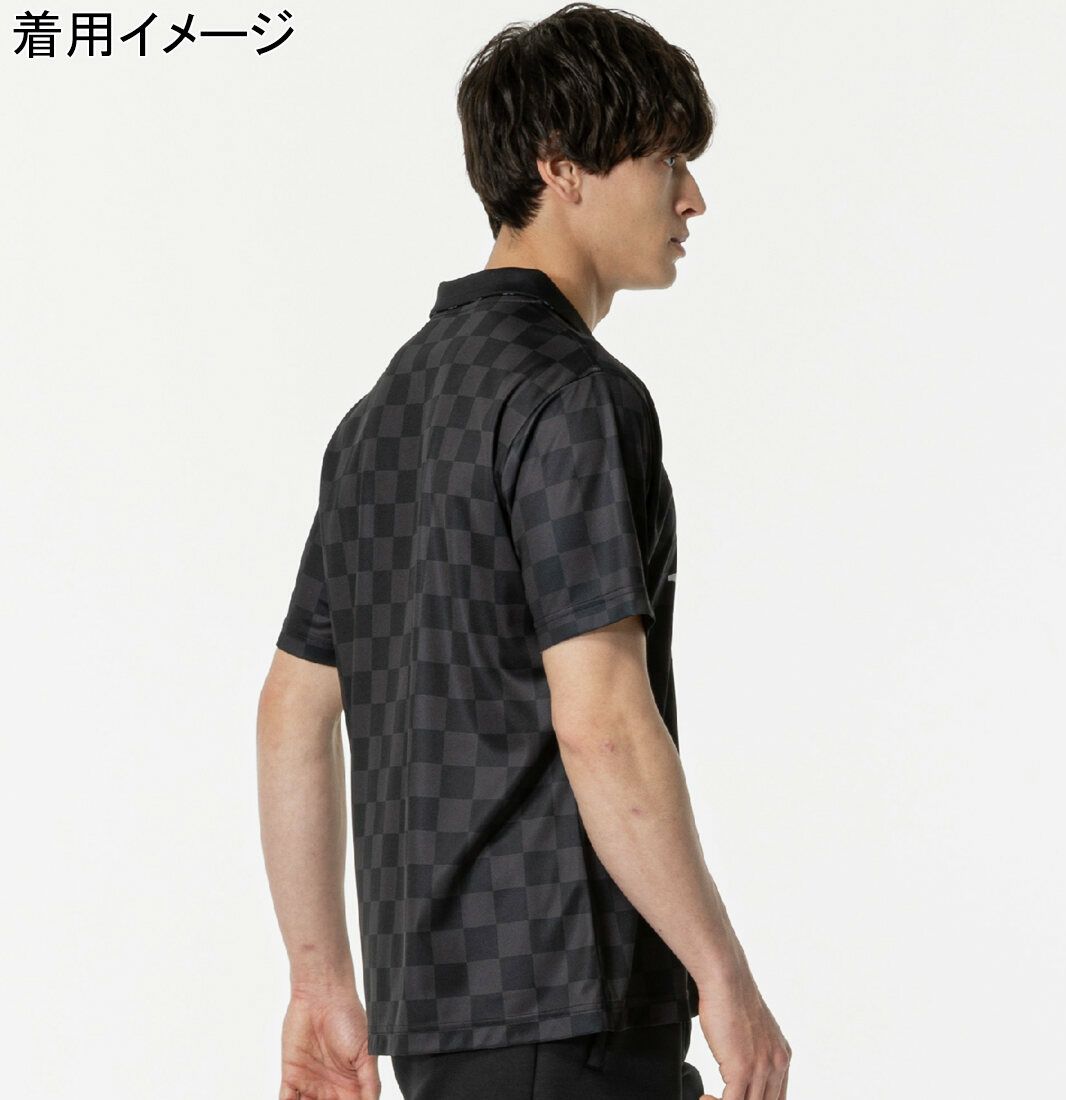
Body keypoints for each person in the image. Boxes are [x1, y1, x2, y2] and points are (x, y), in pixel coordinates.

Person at [256, 4, 791, 1098]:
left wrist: (320, 983)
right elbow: (601, 721)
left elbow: (292, 712)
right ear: (561, 168)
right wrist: (723, 977)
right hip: (572, 1004)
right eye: (666, 159)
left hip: (439, 1026)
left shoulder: (379, 418)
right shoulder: (573, 396)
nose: (691, 197)